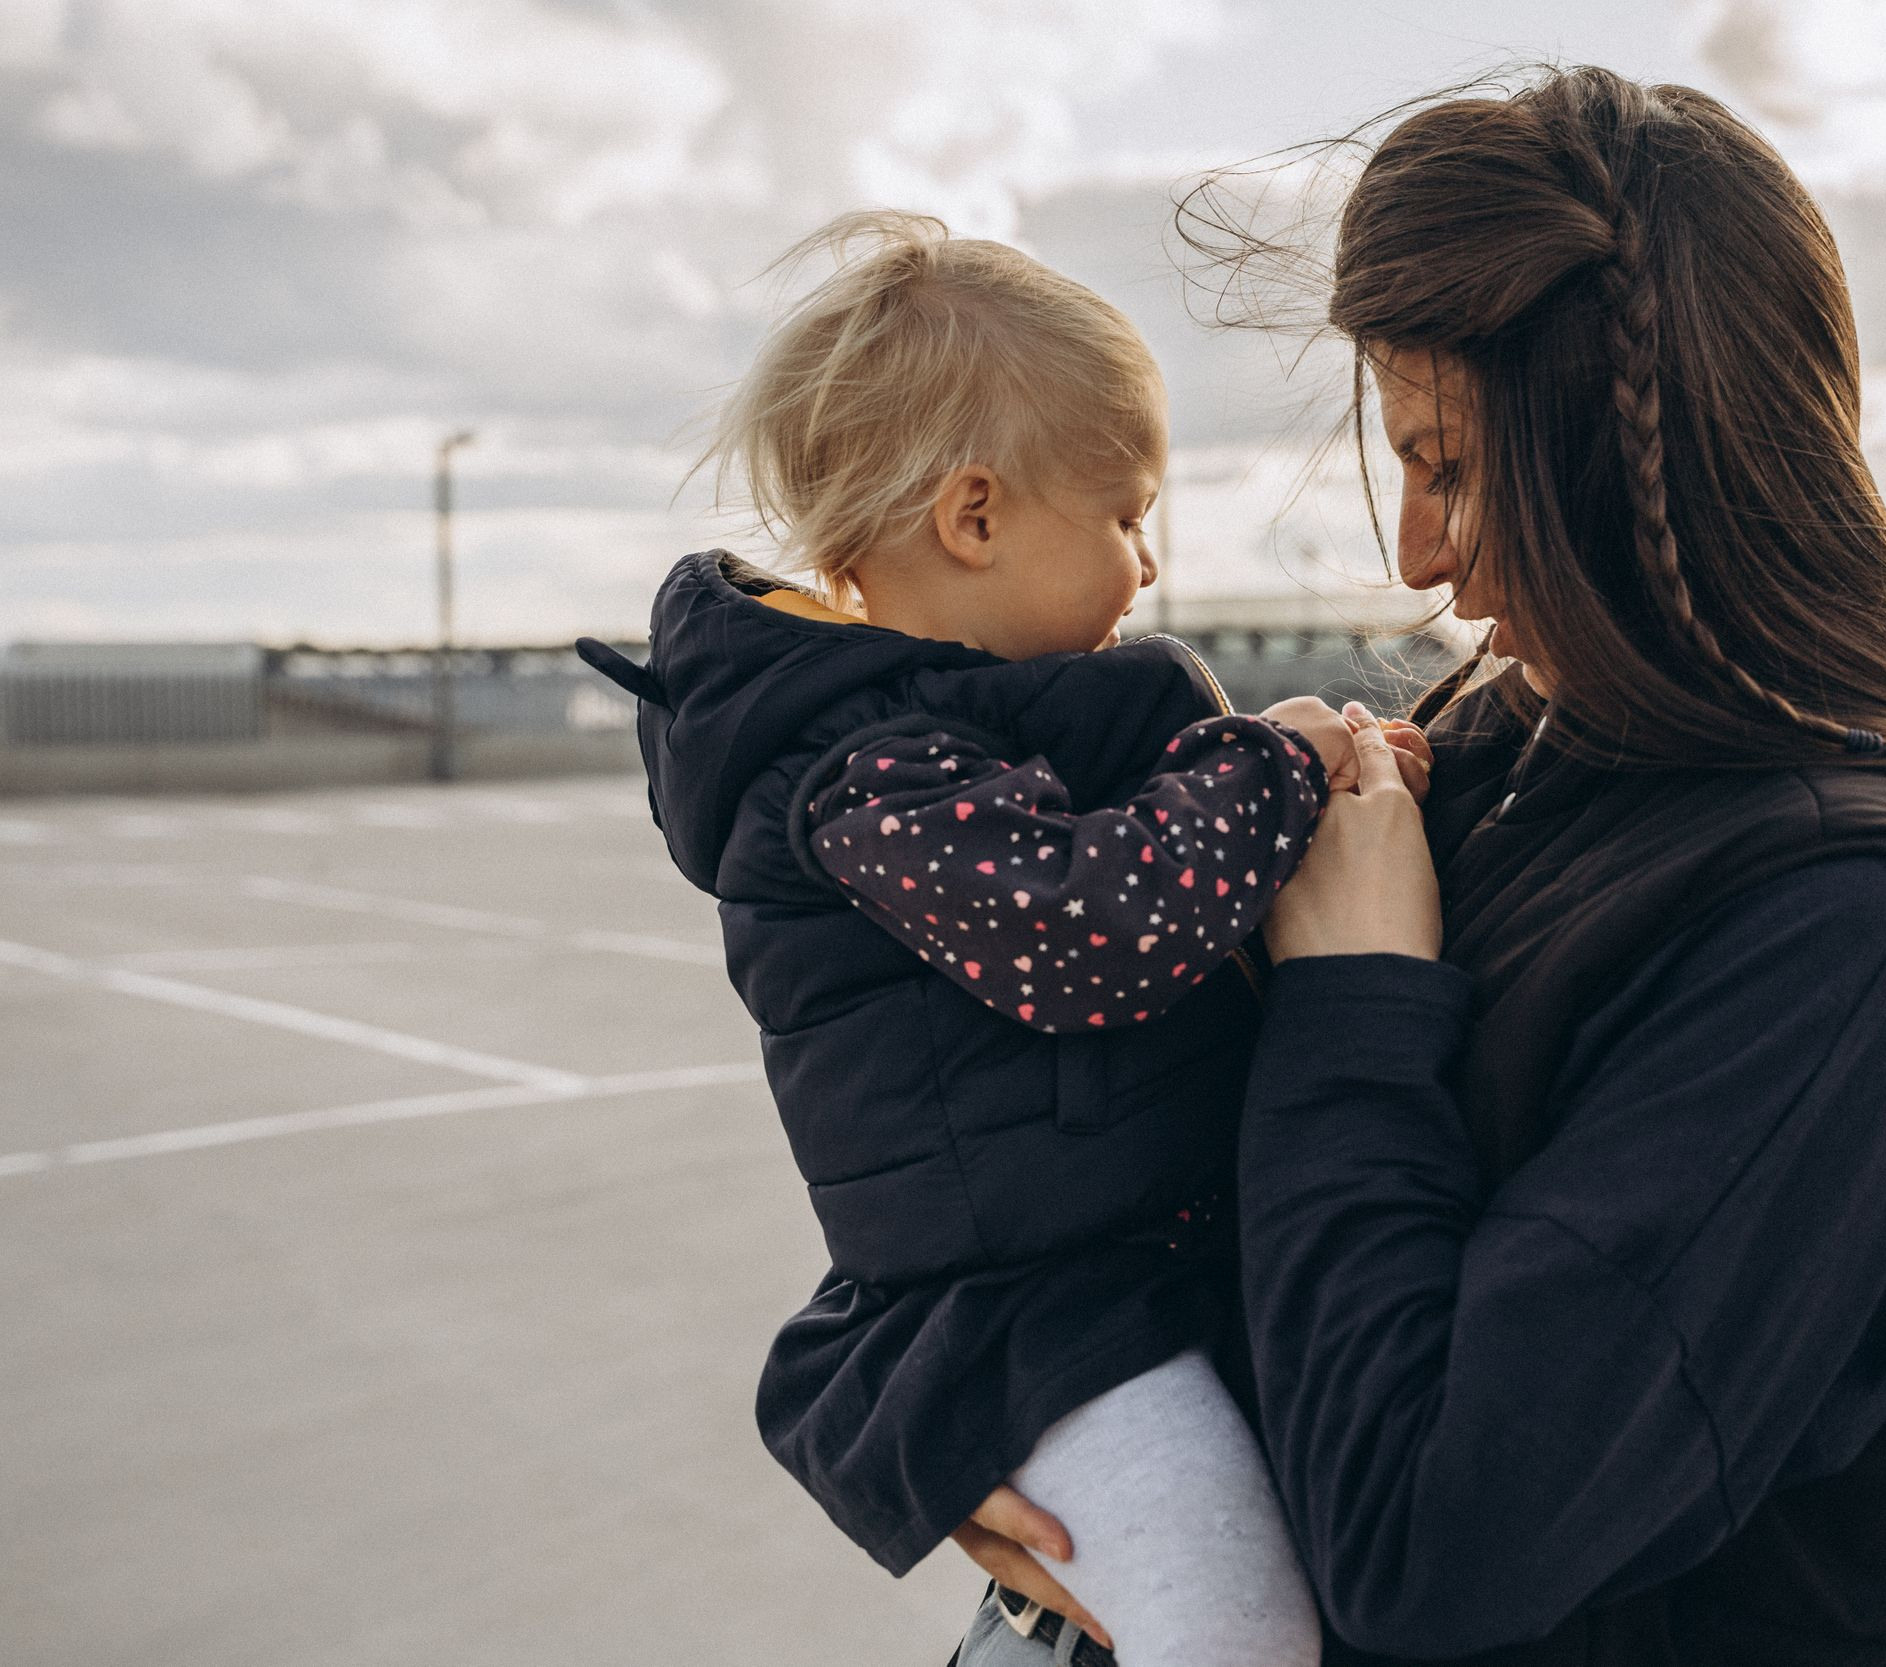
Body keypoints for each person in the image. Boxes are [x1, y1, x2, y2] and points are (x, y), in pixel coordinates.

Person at [905, 68, 1886, 1665]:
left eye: (1453, 467)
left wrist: (1353, 996)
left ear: (1634, 460)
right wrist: (976, 1411)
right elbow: (1130, 1201)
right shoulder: (1502, 761)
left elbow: (1423, 1546)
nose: (1417, 554)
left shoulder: (1858, 933)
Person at [581, 211, 1416, 1667]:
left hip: (1110, 1284)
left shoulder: (959, 745)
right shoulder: (869, 779)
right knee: (1238, 1628)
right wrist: (1264, 771)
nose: (1146, 567)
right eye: (1124, 516)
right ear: (975, 518)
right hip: (1040, 1330)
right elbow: (1094, 932)